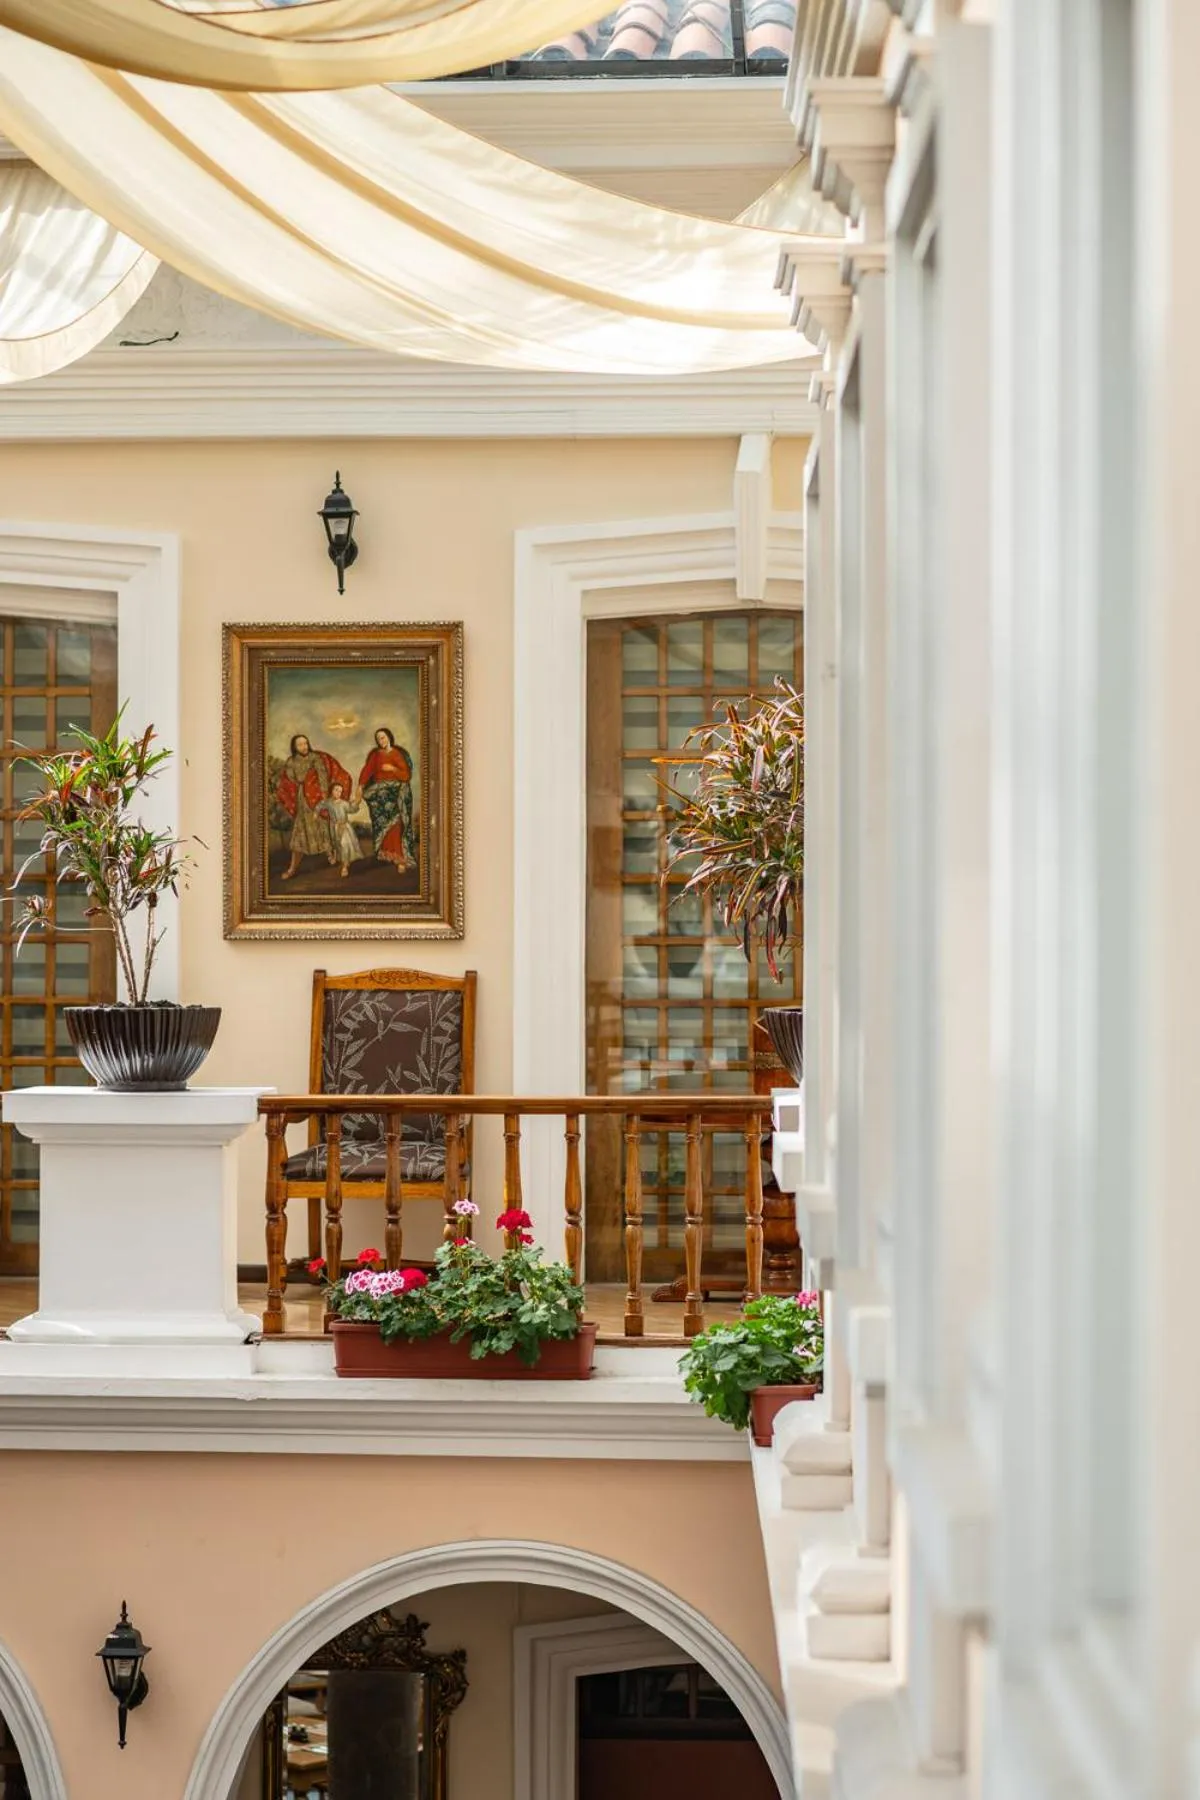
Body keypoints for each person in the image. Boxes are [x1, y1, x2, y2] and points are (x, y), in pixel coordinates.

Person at [275, 734, 352, 881]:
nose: (304, 747)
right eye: (300, 744)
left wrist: (324, 798)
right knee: (300, 832)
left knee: (324, 828)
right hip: (302, 800)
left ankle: (332, 855)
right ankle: (292, 869)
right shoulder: (291, 761)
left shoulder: (315, 758)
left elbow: (322, 777)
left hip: (316, 798)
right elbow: (289, 779)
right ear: (294, 747)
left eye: (305, 743)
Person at [357, 726, 417, 875]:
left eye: (383, 737)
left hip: (395, 792)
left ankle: (400, 859)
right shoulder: (376, 755)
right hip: (379, 794)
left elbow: (406, 775)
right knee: (382, 824)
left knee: (396, 823)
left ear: (389, 737)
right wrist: (360, 786)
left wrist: (392, 769)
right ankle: (387, 854)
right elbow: (367, 770)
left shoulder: (397, 754)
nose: (381, 741)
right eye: (378, 739)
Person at [315, 782, 362, 879]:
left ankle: (345, 866)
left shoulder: (344, 803)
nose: (338, 793)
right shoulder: (328, 802)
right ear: (331, 790)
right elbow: (320, 805)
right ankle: (338, 859)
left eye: (340, 791)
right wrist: (316, 812)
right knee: (336, 844)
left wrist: (357, 802)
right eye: (336, 790)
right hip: (333, 827)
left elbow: (352, 809)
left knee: (344, 844)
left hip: (344, 827)